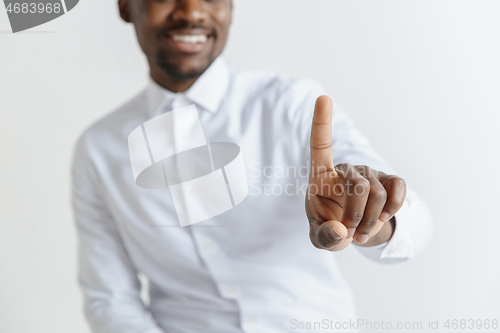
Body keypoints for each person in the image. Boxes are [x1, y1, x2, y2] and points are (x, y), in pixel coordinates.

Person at [71, 0, 433, 332]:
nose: (192, 11)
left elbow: (414, 224)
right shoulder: (99, 148)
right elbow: (111, 299)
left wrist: (370, 216)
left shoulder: (291, 104)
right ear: (124, 6)